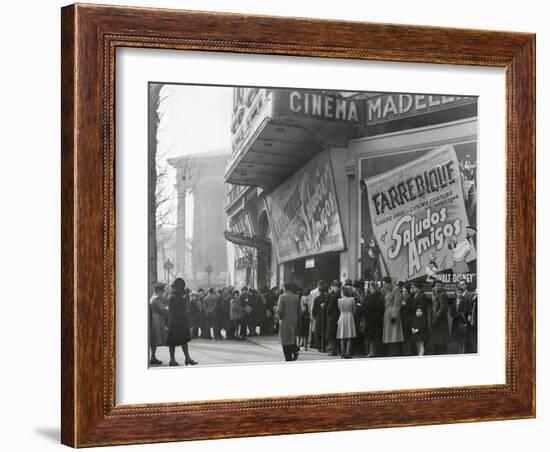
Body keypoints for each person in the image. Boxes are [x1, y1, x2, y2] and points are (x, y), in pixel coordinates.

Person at [166, 278, 197, 366]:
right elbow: (177, 311)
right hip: (176, 321)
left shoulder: (178, 296)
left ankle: (187, 358)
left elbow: (185, 309)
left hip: (179, 321)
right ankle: (172, 360)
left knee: (184, 340)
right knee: (173, 342)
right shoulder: (174, 297)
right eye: (182, 286)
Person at [277, 282, 301, 361]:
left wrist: (279, 317)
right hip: (294, 320)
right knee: (292, 338)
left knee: (285, 340)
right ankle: (294, 350)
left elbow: (280, 311)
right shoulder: (296, 297)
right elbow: (299, 310)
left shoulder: (282, 297)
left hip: (285, 320)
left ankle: (288, 357)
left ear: (285, 288)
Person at [382, 276, 404, 356]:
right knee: (389, 335)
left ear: (389, 283)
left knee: (394, 334)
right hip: (387, 314)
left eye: (385, 284)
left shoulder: (396, 289)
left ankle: (394, 353)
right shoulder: (387, 291)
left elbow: (397, 303)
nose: (383, 285)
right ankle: (390, 352)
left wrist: (394, 315)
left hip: (393, 314)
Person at [361, 283, 385, 358]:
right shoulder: (379, 297)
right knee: (375, 337)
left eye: (371, 288)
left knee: (371, 337)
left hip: (371, 319)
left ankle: (371, 352)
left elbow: (365, 307)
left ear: (373, 289)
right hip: (376, 319)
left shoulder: (371, 297)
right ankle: (374, 352)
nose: (370, 290)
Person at [149, 282, 167, 365]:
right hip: (157, 320)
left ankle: (153, 357)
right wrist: (168, 306)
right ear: (159, 291)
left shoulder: (153, 297)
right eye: (162, 291)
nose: (163, 292)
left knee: (154, 340)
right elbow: (163, 310)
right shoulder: (157, 299)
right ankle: (153, 357)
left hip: (154, 319)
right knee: (155, 340)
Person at [430, 279, 450, 354]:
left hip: (441, 321)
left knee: (441, 342)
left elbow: (443, 308)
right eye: (435, 285)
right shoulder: (434, 294)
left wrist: (436, 317)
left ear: (441, 286)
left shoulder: (443, 294)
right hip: (436, 320)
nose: (437, 287)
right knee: (436, 341)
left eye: (438, 285)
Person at [337, 286, 357, 358]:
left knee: (342, 336)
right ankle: (347, 353)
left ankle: (342, 352)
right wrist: (351, 314)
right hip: (349, 316)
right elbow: (354, 309)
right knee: (349, 336)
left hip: (342, 316)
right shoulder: (352, 299)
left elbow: (339, 309)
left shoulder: (339, 300)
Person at [451, 287, 470, 354]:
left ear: (462, 293)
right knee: (458, 340)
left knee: (463, 340)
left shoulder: (465, 300)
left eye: (460, 292)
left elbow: (465, 310)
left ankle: (463, 352)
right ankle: (459, 352)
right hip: (456, 322)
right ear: (456, 293)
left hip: (462, 321)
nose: (459, 294)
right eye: (458, 292)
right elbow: (451, 311)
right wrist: (455, 315)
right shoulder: (454, 301)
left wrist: (458, 314)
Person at [325, 280, 342, 356]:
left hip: (332, 316)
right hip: (339, 315)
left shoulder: (332, 295)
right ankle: (339, 350)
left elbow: (329, 306)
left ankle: (333, 350)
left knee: (331, 333)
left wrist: (327, 314)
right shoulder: (341, 294)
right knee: (338, 333)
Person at [312, 285, 328, 352]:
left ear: (319, 291)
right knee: (324, 331)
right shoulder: (327, 297)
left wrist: (314, 315)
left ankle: (319, 346)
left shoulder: (317, 298)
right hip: (325, 316)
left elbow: (314, 309)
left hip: (318, 317)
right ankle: (324, 346)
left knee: (318, 332)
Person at [400, 283, 414, 355]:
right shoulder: (402, 297)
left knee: (408, 336)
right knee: (404, 336)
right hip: (403, 318)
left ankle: (409, 351)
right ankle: (404, 350)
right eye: (403, 291)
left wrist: (405, 305)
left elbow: (412, 308)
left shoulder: (411, 297)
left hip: (408, 319)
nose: (404, 293)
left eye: (405, 291)